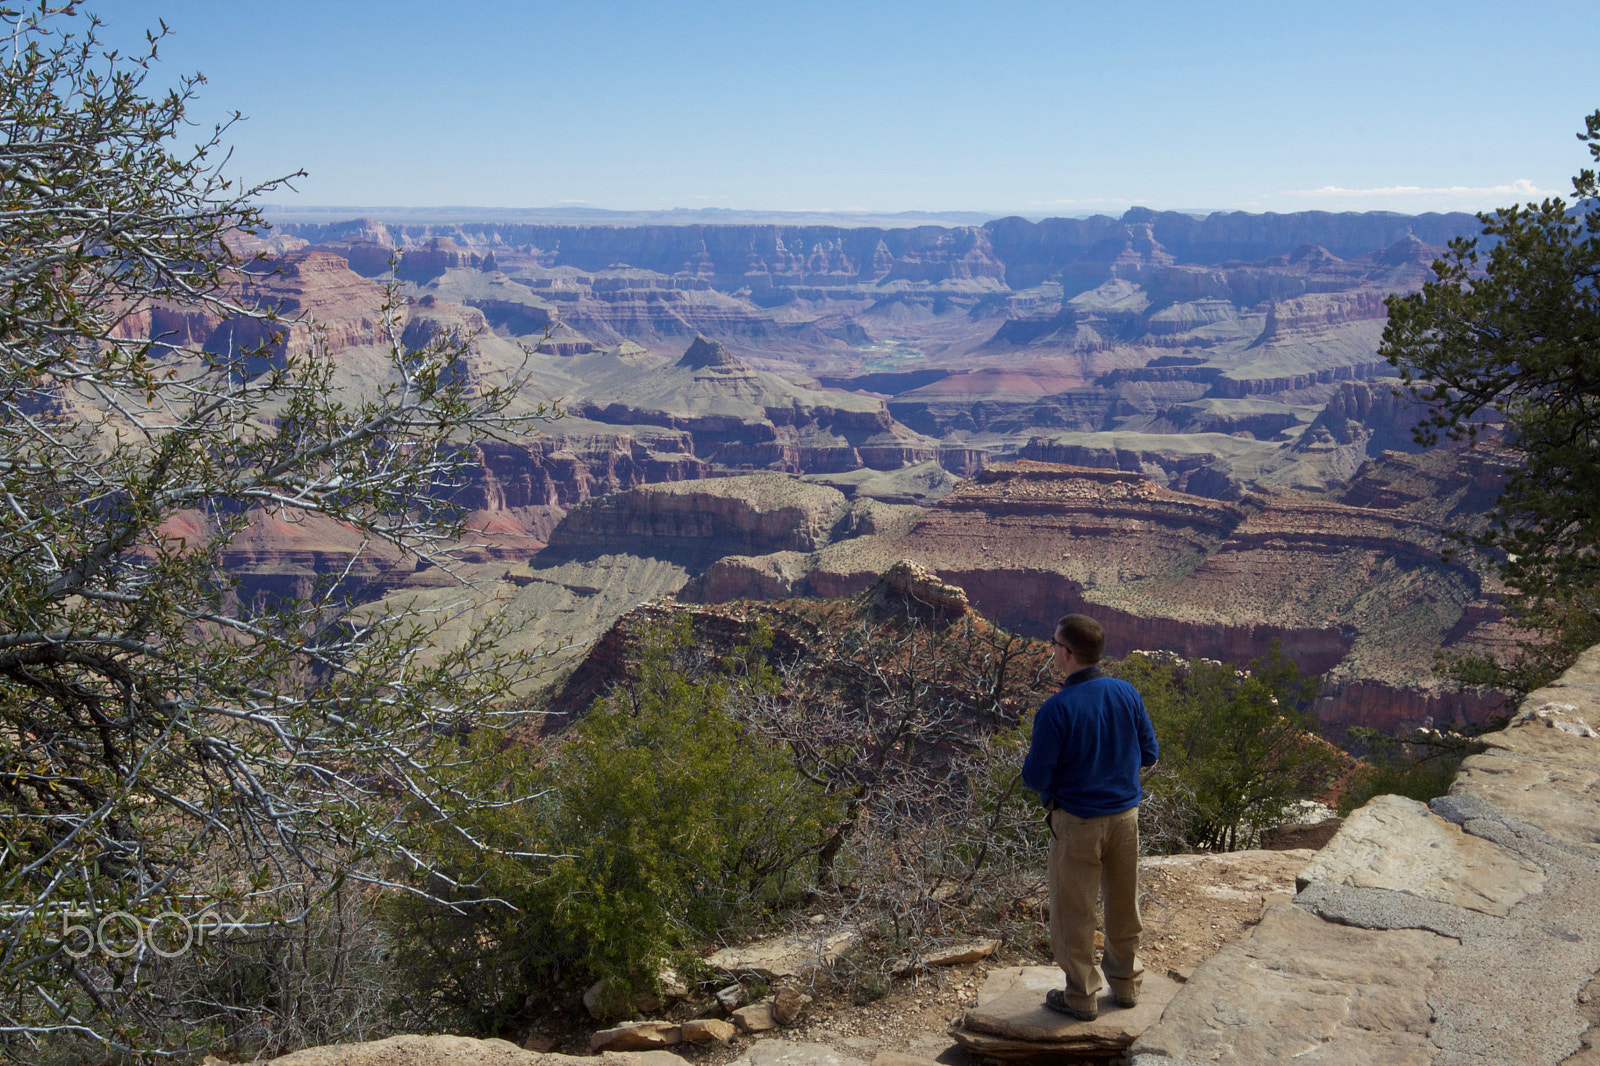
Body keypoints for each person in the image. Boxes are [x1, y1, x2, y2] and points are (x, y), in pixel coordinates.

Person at [1021, 613, 1159, 1022]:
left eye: (1053, 643)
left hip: (1077, 822)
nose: (1052, 650)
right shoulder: (1126, 693)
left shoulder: (1055, 709)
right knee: (1123, 903)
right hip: (1126, 818)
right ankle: (1126, 985)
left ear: (1065, 653)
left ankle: (1081, 995)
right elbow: (1149, 753)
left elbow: (1035, 776)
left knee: (1074, 912)